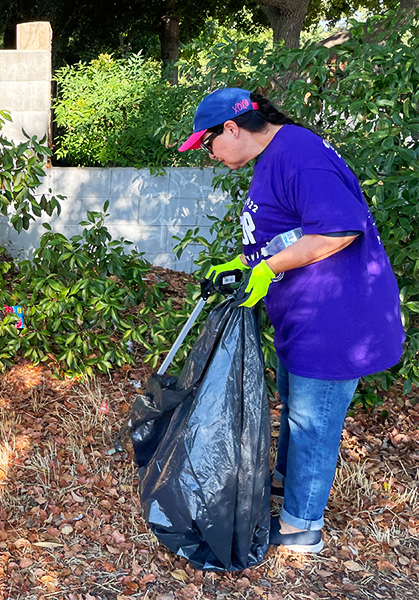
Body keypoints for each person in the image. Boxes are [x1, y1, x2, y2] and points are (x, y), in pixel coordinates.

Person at [179, 88, 404, 553]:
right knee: (294, 406)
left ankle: (303, 526)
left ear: (232, 128)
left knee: (313, 424)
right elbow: (291, 231)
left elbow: (338, 230)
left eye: (208, 144)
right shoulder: (278, 155)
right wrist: (245, 264)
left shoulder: (298, 154)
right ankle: (284, 484)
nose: (210, 154)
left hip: (334, 321)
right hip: (303, 316)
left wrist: (268, 268)